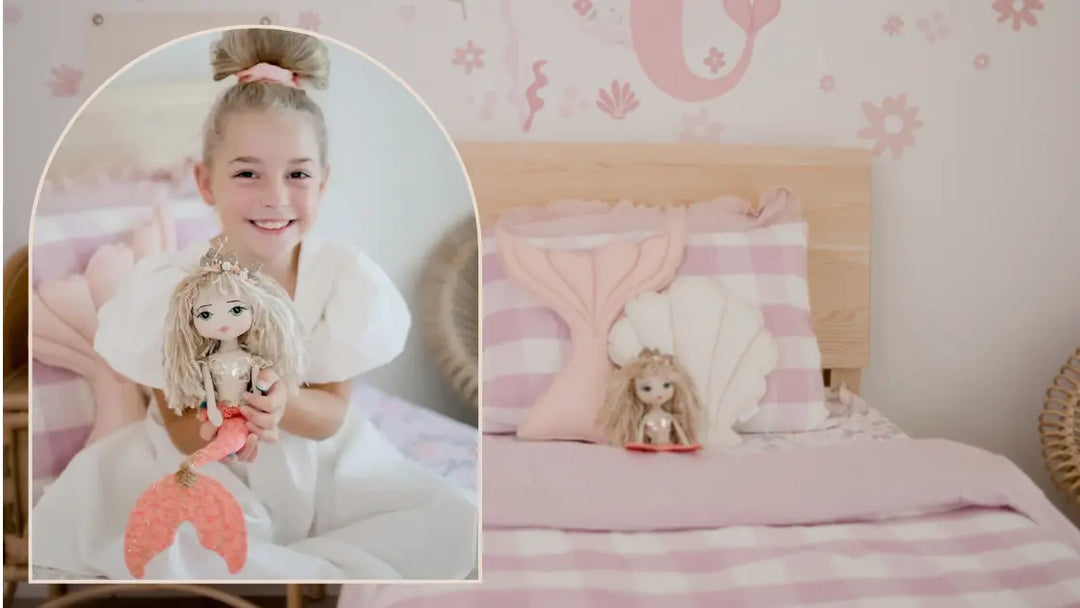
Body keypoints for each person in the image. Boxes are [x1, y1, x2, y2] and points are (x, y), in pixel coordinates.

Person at [30, 28, 477, 580]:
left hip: (320, 466)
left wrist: (281, 403)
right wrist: (226, 412)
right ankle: (284, 569)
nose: (275, 197)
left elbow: (331, 415)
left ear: (323, 183)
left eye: (298, 174)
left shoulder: (341, 277)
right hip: (207, 464)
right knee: (190, 540)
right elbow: (179, 429)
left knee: (453, 520)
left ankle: (309, 567)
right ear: (206, 182)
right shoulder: (170, 288)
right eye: (247, 173)